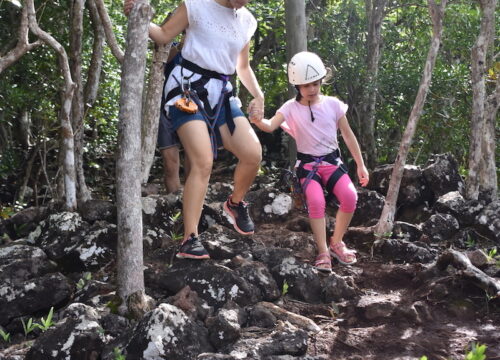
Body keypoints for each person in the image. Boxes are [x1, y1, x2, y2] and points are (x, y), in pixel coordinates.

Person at [124, 0, 264, 260]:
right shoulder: (196, 4)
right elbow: (164, 35)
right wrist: (139, 16)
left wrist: (258, 95)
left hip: (221, 91)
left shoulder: (247, 20)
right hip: (186, 87)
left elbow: (242, 67)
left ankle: (234, 204)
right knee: (203, 161)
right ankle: (190, 238)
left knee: (252, 154)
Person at [251, 51, 369, 272]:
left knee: (350, 197)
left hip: (332, 163)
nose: (312, 89)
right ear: (297, 87)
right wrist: (257, 119)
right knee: (316, 202)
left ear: (321, 81)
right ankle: (323, 251)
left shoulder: (333, 105)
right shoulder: (290, 108)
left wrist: (360, 164)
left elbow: (348, 135)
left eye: (315, 84)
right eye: (306, 86)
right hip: (307, 167)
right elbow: (269, 126)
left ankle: (337, 242)